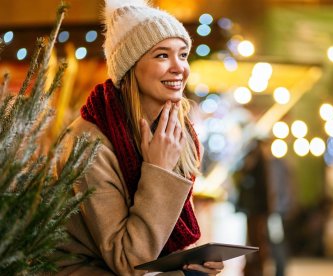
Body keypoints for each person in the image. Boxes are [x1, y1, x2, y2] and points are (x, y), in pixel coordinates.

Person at [54, 1, 224, 275]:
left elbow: (163, 238)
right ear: (130, 66)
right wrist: (157, 170)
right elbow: (127, 261)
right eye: (161, 56)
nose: (178, 67)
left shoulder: (178, 134)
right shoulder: (90, 142)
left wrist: (191, 263)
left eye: (182, 54)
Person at [234, 139, 293, 276]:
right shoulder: (264, 162)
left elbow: (279, 188)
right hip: (267, 209)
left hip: (272, 210)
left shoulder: (274, 164)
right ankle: (267, 270)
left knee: (269, 242)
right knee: (262, 241)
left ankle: (277, 270)